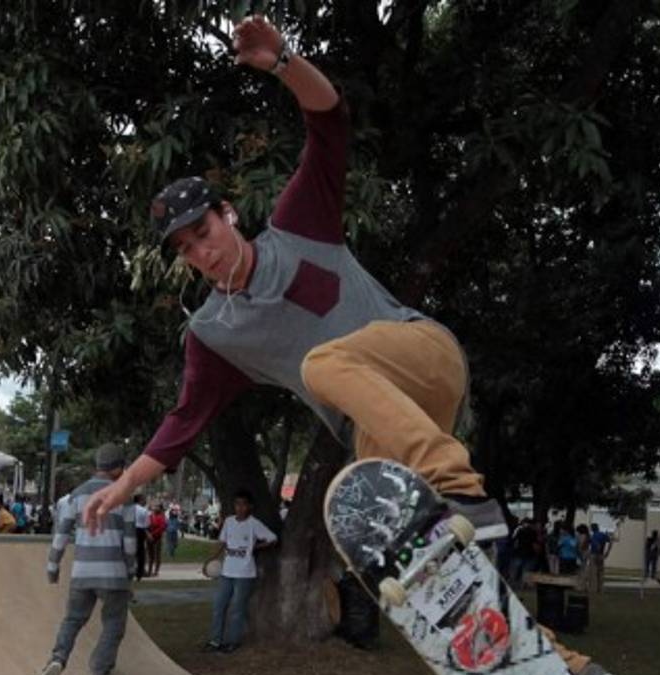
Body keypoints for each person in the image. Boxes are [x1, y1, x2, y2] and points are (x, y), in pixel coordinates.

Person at [82, 14, 505, 547]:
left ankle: (465, 492)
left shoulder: (299, 224)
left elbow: (330, 122)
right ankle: (463, 585)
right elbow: (180, 426)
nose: (201, 252)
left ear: (228, 214)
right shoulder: (214, 336)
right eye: (186, 249)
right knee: (373, 510)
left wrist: (283, 61)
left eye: (203, 232)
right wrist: (122, 486)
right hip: (382, 425)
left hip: (425, 359)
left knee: (322, 363)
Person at [35, 444, 137, 675]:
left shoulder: (75, 496)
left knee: (72, 619)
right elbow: (130, 543)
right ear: (116, 469)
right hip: (113, 575)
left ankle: (57, 659)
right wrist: (130, 570)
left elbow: (61, 535)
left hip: (82, 573)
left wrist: (52, 566)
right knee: (113, 624)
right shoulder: (123, 497)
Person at [202, 489, 277, 653]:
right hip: (227, 572)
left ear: (249, 506)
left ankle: (233, 641)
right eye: (237, 504)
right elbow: (222, 542)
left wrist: (255, 547)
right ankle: (215, 641)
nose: (240, 508)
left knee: (237, 608)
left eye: (243, 505)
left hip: (245, 574)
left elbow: (272, 538)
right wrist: (211, 560)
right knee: (218, 605)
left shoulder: (254, 524)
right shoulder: (229, 521)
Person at [588, 523, 611, 594]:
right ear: (598, 527)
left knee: (593, 572)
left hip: (594, 554)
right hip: (601, 555)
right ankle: (601, 589)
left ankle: (593, 589)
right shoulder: (603, 535)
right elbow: (610, 541)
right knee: (600, 572)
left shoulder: (593, 536)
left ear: (592, 529)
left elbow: (594, 544)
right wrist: (607, 552)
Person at [146, 503, 167, 577]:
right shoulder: (150, 516)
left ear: (160, 508)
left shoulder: (161, 517)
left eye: (157, 506)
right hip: (149, 537)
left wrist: (153, 534)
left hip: (157, 538)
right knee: (150, 554)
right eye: (154, 506)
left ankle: (156, 571)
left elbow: (161, 528)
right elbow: (146, 525)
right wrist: (148, 534)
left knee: (157, 554)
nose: (155, 507)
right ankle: (149, 570)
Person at [132, 494, 149, 581]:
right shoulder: (144, 510)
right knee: (141, 553)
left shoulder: (130, 509)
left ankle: (129, 570)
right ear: (140, 500)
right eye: (144, 499)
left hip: (131, 529)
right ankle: (139, 573)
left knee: (130, 551)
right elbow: (146, 524)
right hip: (140, 530)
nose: (145, 501)